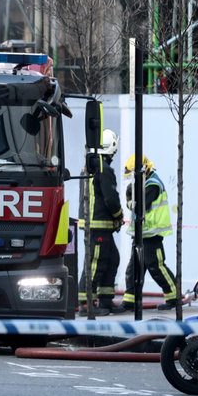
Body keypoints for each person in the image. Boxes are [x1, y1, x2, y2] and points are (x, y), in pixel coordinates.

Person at [77, 128, 126, 316]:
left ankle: (105, 300)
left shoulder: (90, 166)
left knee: (112, 259)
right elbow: (111, 199)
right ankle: (86, 304)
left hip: (97, 225)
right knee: (95, 263)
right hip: (98, 225)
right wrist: (119, 216)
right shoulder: (104, 169)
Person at [120, 154, 177, 310]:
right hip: (141, 233)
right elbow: (133, 203)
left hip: (152, 234)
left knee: (156, 267)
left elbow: (139, 206)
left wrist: (131, 196)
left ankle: (174, 297)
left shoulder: (153, 185)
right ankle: (130, 301)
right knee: (134, 269)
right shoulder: (142, 184)